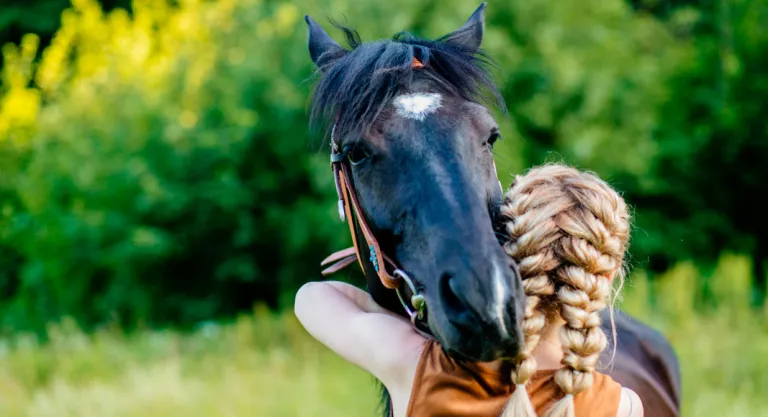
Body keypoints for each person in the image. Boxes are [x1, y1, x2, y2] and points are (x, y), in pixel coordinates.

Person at [294, 163, 644, 417]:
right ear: (609, 274)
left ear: (500, 250)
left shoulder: (415, 365)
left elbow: (312, 297)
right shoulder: (622, 406)